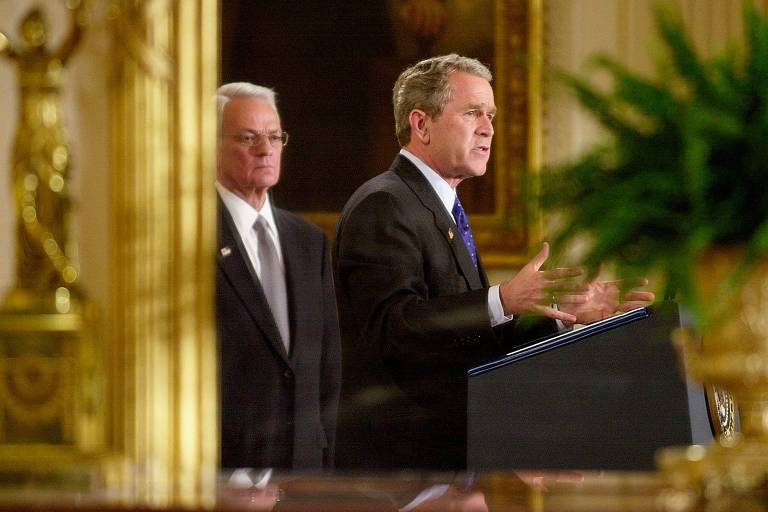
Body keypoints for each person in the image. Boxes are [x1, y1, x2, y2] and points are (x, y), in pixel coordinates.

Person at [333, 54, 654, 470]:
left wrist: (559, 319)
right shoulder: (385, 204)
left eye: (491, 115)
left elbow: (465, 344)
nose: (488, 129)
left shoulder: (437, 206)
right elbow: (394, 332)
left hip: (449, 464)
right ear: (420, 124)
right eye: (472, 113)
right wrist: (500, 299)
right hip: (400, 474)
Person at [215, 82, 341, 470]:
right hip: (224, 468)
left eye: (274, 137)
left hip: (303, 472)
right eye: (248, 138)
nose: (265, 149)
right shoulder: (187, 239)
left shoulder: (309, 242)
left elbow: (327, 366)